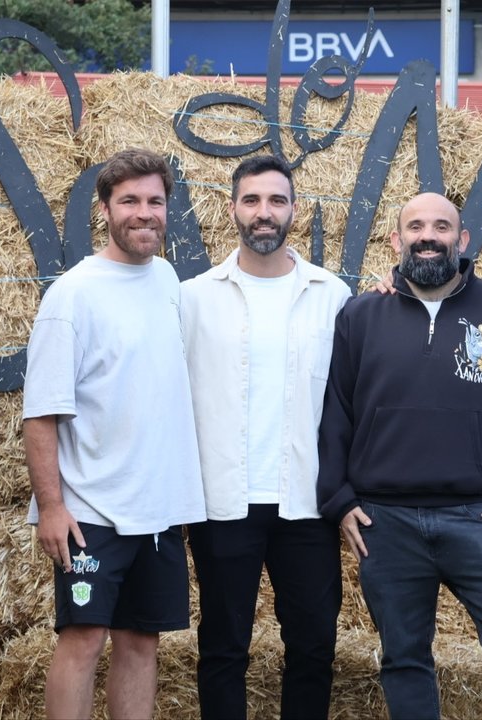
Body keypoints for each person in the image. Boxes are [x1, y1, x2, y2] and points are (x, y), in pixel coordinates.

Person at [317, 191, 482, 720]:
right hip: (387, 521)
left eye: (442, 227)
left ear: (462, 239)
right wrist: (338, 499)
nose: (429, 236)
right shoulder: (359, 315)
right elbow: (336, 411)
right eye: (417, 226)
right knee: (404, 657)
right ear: (395, 239)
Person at [23, 147, 206, 720]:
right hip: (91, 513)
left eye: (155, 201)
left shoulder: (169, 279)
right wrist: (52, 508)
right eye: (129, 201)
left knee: (141, 642)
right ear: (104, 209)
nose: (144, 213)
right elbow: (40, 414)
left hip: (157, 513)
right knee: (83, 641)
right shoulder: (73, 295)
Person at [180, 154, 349, 719]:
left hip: (306, 502)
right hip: (224, 502)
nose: (264, 212)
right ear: (232, 209)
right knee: (223, 648)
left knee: (313, 648)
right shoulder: (194, 298)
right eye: (251, 200)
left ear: (294, 210)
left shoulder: (333, 296)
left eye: (276, 200)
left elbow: (354, 399)